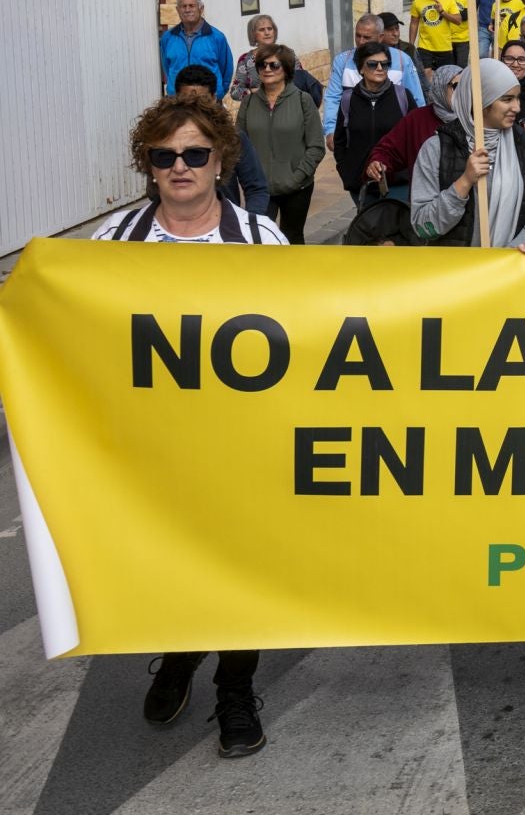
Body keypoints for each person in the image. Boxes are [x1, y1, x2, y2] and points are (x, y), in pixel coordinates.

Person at [99, 94, 279, 759]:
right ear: (148, 164)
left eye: (194, 154)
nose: (180, 167)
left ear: (220, 159)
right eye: (164, 156)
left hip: (243, 446)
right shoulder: (113, 243)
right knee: (177, 568)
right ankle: (179, 657)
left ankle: (236, 688)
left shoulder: (262, 242)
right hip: (156, 450)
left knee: (243, 572)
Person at [412, 58, 525, 255]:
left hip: (507, 274)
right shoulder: (437, 149)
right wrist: (464, 182)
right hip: (454, 277)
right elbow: (422, 228)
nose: (517, 108)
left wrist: (504, 259)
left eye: (517, 98)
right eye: (507, 99)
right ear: (481, 100)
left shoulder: (524, 148)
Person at [234, 44, 324, 243]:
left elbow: (316, 146)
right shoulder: (249, 104)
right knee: (260, 239)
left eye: (273, 65)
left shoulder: (303, 100)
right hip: (260, 189)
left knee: (292, 239)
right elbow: (237, 144)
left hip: (297, 187)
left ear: (286, 69)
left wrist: (296, 177)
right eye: (262, 66)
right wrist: (248, 178)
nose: (267, 70)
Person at [172, 65, 268, 214]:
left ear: (214, 98)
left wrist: (251, 225)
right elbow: (154, 190)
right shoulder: (165, 139)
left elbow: (256, 188)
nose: (194, 106)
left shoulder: (233, 137)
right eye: (187, 99)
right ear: (176, 98)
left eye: (202, 100)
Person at [325, 14, 426, 151]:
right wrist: (330, 130)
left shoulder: (402, 61)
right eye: (358, 35)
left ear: (380, 37)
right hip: (355, 143)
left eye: (366, 37)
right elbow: (333, 98)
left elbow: (416, 99)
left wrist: (419, 134)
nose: (360, 41)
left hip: (394, 143)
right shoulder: (342, 61)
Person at [333, 41, 414, 206]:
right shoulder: (348, 100)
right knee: (368, 229)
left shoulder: (403, 96)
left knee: (395, 227)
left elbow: (415, 137)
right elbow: (340, 141)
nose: (379, 68)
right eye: (372, 64)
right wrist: (347, 172)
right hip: (361, 184)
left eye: (385, 64)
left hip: (398, 182)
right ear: (361, 68)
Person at [368, 64, 464, 196]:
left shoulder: (474, 118)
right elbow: (388, 150)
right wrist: (378, 163)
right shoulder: (417, 119)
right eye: (456, 86)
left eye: (467, 86)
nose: (462, 92)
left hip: (465, 201)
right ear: (440, 86)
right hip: (425, 201)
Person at [159, 0, 234, 95]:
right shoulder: (168, 37)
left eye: (192, 6)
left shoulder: (216, 37)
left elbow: (226, 70)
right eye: (183, 6)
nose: (187, 10)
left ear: (201, 9)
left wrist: (218, 94)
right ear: (177, 10)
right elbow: (167, 68)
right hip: (178, 100)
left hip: (208, 100)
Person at [408, 0, 459, 70]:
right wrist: (411, 45)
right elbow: (414, 24)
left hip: (444, 47)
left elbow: (458, 20)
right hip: (425, 47)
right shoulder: (417, 2)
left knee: (444, 78)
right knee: (427, 76)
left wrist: (442, 12)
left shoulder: (449, 0)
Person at [445, 0, 473, 66]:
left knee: (461, 67)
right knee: (449, 67)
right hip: (446, 38)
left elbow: (464, 17)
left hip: (462, 39)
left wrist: (445, 12)